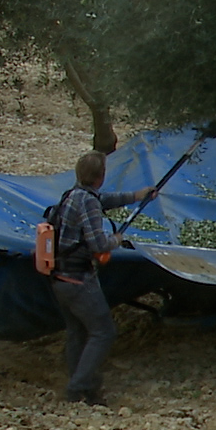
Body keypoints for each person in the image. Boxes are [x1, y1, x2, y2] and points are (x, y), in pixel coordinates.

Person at [46, 150, 156, 406]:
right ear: (101, 177)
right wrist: (116, 240)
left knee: (77, 332)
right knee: (103, 332)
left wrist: (136, 196)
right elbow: (98, 244)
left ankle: (80, 387)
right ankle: (79, 388)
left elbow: (103, 200)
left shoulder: (73, 195)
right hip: (78, 280)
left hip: (59, 278)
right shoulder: (88, 203)